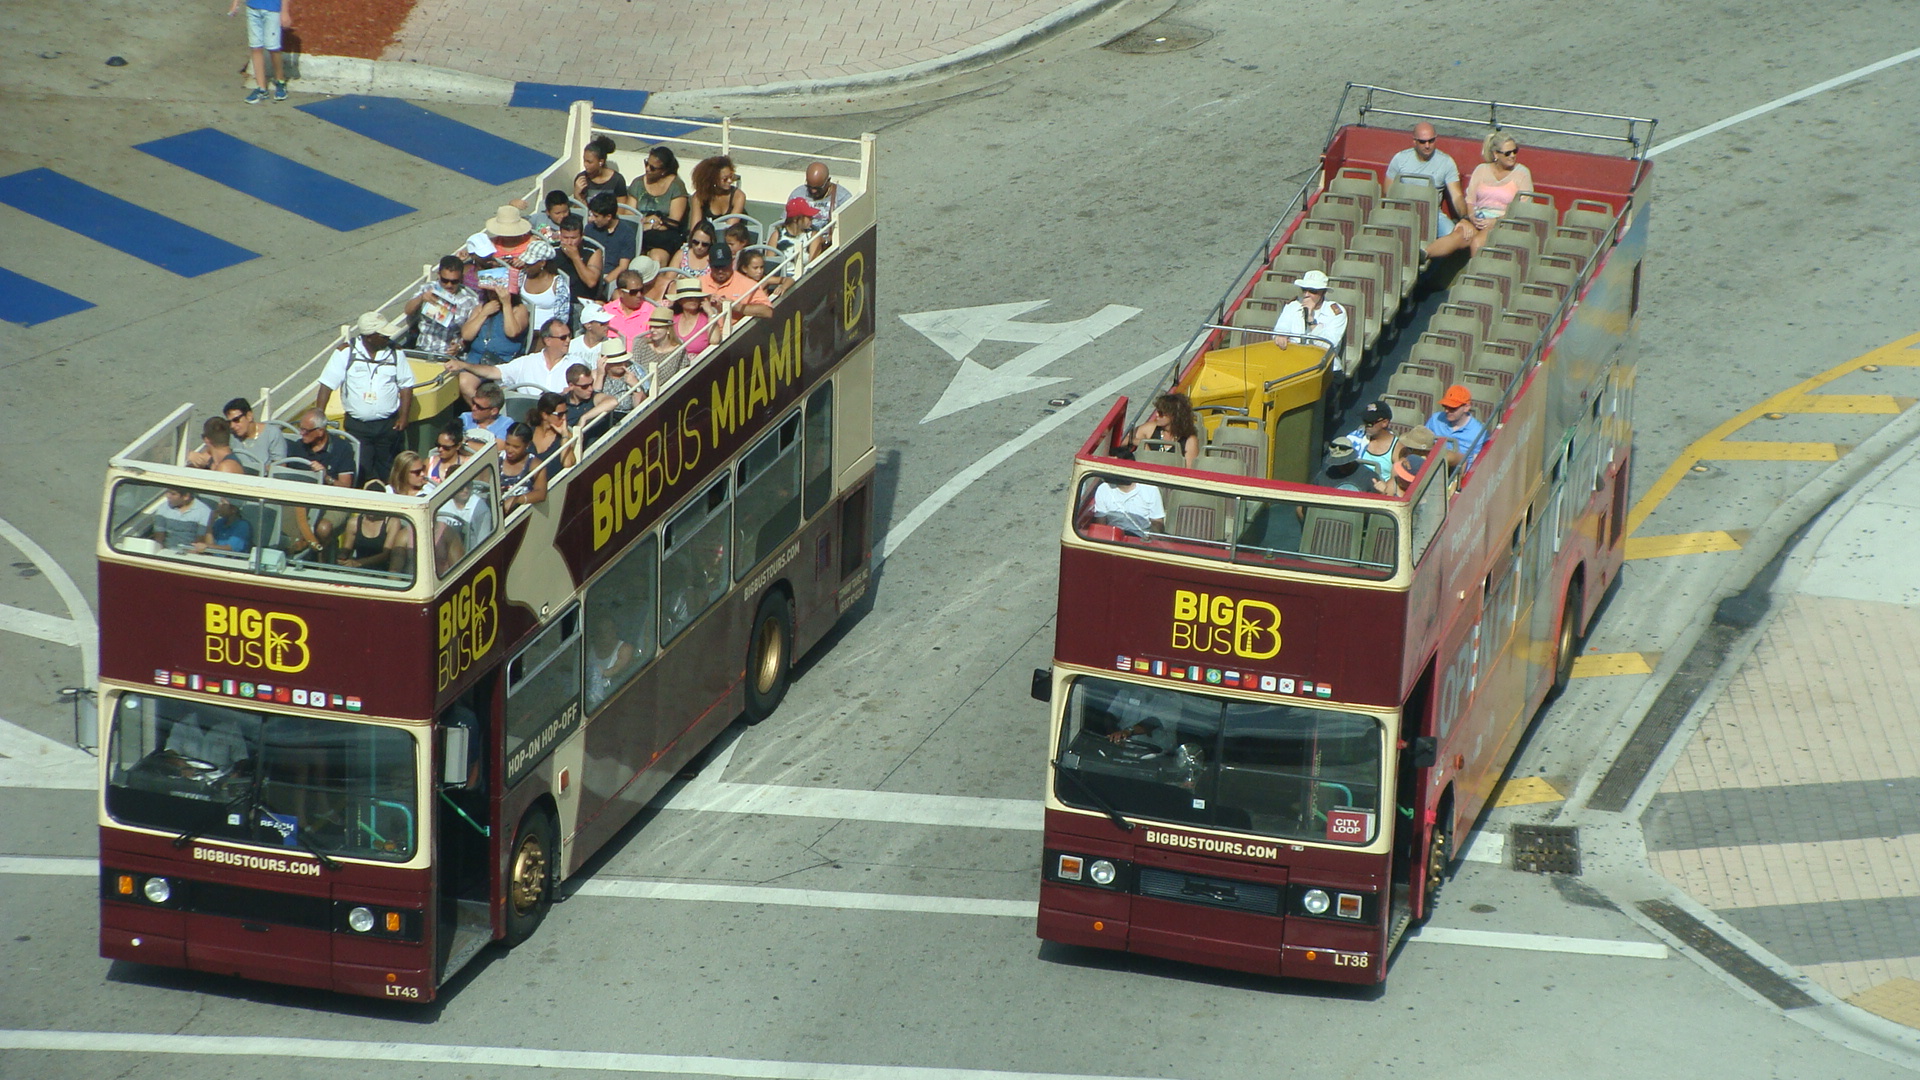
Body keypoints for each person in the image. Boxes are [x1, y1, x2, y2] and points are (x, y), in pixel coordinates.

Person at [315, 312, 414, 491]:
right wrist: (318, 418)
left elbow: (406, 386)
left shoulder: (396, 353)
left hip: (388, 425)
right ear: (369, 337)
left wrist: (404, 417)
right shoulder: (345, 352)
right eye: (382, 335)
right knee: (362, 468)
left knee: (388, 470)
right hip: (358, 426)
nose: (387, 338)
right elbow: (327, 385)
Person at [1425, 132, 1534, 260]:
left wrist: (1496, 221)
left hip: (1503, 222)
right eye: (1507, 153)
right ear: (1495, 154)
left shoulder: (1522, 173)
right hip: (1478, 218)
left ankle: (1475, 279)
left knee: (1477, 242)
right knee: (1459, 234)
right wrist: (1470, 217)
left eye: (1515, 151)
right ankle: (1423, 255)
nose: (1513, 156)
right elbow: (1470, 200)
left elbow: (1523, 208)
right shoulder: (1481, 170)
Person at [445, 317, 576, 402]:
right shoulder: (527, 362)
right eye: (563, 337)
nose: (568, 340)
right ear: (548, 340)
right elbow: (493, 372)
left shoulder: (575, 364)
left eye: (569, 336)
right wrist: (463, 365)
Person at [1386, 123, 1465, 241]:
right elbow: (1388, 191)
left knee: (1451, 234)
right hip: (1404, 211)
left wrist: (1464, 217)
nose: (1427, 146)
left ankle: (1430, 255)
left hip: (1433, 214)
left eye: (1431, 141)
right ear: (1414, 141)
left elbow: (1457, 196)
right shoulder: (1400, 159)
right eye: (1422, 142)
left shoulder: (1446, 162)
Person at [405, 256, 481, 358]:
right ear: (439, 276)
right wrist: (421, 298)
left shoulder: (470, 301)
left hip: (448, 354)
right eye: (445, 280)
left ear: (461, 279)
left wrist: (460, 345)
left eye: (454, 281)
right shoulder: (428, 288)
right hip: (423, 348)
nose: (449, 285)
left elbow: (470, 333)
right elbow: (408, 310)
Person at [188, 398, 282, 476]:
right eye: (229, 422)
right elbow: (208, 453)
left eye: (236, 420)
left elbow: (280, 466)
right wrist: (190, 455)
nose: (232, 426)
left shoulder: (272, 433)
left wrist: (256, 470)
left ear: (249, 416)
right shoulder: (231, 435)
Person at [229, 0, 292, 104]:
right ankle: (261, 88)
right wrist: (235, 4)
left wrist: (284, 11)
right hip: (252, 8)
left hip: (272, 9)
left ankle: (280, 80)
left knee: (273, 48)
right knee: (255, 47)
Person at [634, 146, 689, 264]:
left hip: (664, 235)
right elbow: (629, 215)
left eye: (652, 168)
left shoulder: (676, 187)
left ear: (664, 171)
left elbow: (673, 222)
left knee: (656, 258)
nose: (647, 169)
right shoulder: (637, 184)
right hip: (639, 230)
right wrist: (648, 221)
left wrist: (651, 225)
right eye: (646, 164)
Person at [1124, 393, 1200, 468]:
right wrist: (1139, 442)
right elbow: (1122, 439)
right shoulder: (1151, 428)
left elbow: (1189, 470)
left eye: (1160, 413)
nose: (1156, 415)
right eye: (1157, 411)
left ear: (1173, 416)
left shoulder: (1189, 441)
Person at [700, 243, 774, 319]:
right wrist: (702, 302)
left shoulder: (748, 284)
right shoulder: (699, 283)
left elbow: (767, 311)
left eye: (724, 266)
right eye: (716, 267)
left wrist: (736, 306)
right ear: (709, 263)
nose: (720, 271)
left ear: (732, 262)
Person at [584, 193, 638, 296]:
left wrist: (604, 281)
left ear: (608, 216)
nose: (592, 219)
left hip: (612, 277)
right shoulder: (590, 229)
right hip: (591, 272)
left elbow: (623, 266)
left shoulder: (626, 233)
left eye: (596, 216)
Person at [1426, 385, 1488, 468]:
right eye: (1445, 406)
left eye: (1452, 408)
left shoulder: (1479, 432)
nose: (1447, 411)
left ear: (1466, 407)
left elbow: (1477, 464)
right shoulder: (1436, 419)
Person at [518, 240, 572, 335]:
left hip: (545, 333)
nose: (525, 265)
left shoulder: (558, 284)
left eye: (530, 263)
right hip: (521, 329)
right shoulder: (521, 276)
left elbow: (562, 317)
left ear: (542, 263)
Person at [584, 617, 638, 711]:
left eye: (607, 631)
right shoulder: (589, 649)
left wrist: (601, 673)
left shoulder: (624, 649)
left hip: (611, 696)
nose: (604, 636)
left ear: (614, 631)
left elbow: (618, 669)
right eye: (600, 632)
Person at [1341, 400, 1399, 484]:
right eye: (1365, 421)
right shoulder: (1354, 439)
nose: (1366, 426)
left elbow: (1396, 482)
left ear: (1384, 423)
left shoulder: (1397, 449)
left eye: (1370, 422)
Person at [553, 213, 605, 304]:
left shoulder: (593, 251)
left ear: (581, 236)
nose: (569, 242)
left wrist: (575, 257)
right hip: (555, 299)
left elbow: (591, 282)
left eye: (573, 238)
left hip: (581, 301)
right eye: (565, 237)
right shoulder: (552, 250)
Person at [602, 264, 661, 344]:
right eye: (634, 292)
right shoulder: (606, 311)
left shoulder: (652, 312)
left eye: (641, 290)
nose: (639, 295)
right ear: (621, 293)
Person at [789, 161, 850, 236]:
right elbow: (785, 223)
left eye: (818, 188)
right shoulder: (797, 195)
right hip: (803, 239)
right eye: (809, 187)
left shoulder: (842, 198)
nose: (813, 191)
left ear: (828, 181)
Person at [689, 155, 745, 234]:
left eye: (731, 176)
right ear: (713, 179)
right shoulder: (698, 197)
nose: (729, 181)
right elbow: (694, 229)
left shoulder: (738, 196)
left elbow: (730, 228)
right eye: (725, 179)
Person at [1091, 477, 1165, 537]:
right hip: (1113, 537)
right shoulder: (1103, 489)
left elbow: (1157, 523)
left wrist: (1150, 540)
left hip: (1141, 539)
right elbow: (1101, 525)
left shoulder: (1150, 489)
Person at [527, 392, 577, 479]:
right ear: (545, 415)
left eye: (566, 413)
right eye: (560, 415)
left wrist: (564, 435)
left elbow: (568, 463)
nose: (564, 418)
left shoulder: (567, 436)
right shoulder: (528, 432)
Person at [574, 136, 634, 209]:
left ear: (601, 162)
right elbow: (579, 212)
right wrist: (577, 195)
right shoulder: (581, 179)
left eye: (589, 162)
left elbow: (621, 211)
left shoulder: (617, 180)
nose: (585, 164)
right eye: (584, 160)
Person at [500, 423, 548, 510]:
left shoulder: (534, 465)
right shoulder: (496, 459)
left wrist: (516, 499)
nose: (509, 450)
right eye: (507, 444)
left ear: (527, 445)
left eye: (516, 447)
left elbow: (541, 493)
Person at [597, 335, 650, 413]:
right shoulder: (598, 373)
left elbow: (643, 407)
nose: (622, 364)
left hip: (628, 416)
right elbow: (593, 401)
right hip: (602, 416)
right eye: (616, 362)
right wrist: (600, 376)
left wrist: (636, 386)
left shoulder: (635, 370)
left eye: (623, 360)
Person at [667, 277, 715, 355]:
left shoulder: (707, 319)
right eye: (689, 297)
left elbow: (714, 340)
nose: (693, 300)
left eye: (697, 297)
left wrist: (710, 313)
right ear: (680, 300)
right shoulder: (672, 319)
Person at [424, 418, 473, 488]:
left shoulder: (468, 464)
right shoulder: (429, 463)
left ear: (458, 446)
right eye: (438, 445)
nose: (440, 449)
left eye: (446, 447)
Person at [774, 197, 822, 265]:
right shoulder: (778, 234)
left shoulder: (813, 235)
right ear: (795, 219)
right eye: (808, 216)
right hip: (780, 275)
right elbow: (770, 263)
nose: (812, 218)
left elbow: (813, 265)